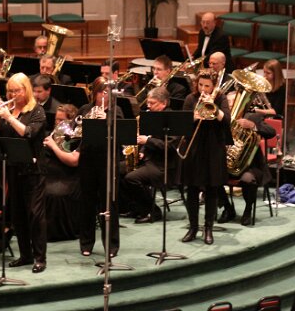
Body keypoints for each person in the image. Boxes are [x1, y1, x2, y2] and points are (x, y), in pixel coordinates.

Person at [0, 72, 47, 273]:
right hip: (13, 168)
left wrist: (8, 117)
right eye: (10, 91)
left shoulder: (37, 111)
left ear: (26, 90)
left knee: (35, 215)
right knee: (18, 214)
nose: (13, 95)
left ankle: (40, 257)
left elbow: (29, 133)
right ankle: (25, 255)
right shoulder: (9, 109)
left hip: (34, 170)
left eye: (16, 91)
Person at [180, 70, 232, 245]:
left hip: (213, 148)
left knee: (211, 189)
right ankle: (193, 227)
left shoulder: (220, 98)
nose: (203, 89)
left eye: (207, 86)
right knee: (192, 189)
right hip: (194, 148)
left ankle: (208, 228)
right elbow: (183, 124)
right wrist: (193, 117)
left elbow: (227, 121)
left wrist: (213, 108)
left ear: (214, 86)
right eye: (200, 84)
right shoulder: (190, 99)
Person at [76, 77, 123, 257]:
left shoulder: (116, 111)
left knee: (109, 203)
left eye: (107, 92)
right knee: (87, 203)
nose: (104, 95)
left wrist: (106, 121)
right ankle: (86, 243)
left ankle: (111, 245)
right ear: (94, 93)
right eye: (101, 92)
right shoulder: (85, 109)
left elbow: (120, 136)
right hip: (87, 160)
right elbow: (75, 131)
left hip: (107, 162)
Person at [121, 87, 175, 224]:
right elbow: (150, 137)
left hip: (164, 165)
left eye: (152, 103)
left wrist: (147, 141)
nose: (148, 106)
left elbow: (170, 146)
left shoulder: (172, 119)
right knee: (118, 170)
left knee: (131, 178)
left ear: (164, 103)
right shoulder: (152, 116)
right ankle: (136, 208)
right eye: (148, 102)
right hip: (150, 159)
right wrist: (142, 151)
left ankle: (153, 211)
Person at [221, 104, 275, 226]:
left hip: (250, 166)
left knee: (248, 179)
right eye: (228, 102)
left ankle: (247, 210)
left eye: (233, 101)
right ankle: (228, 208)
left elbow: (271, 132)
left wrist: (253, 126)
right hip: (226, 164)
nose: (231, 104)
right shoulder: (221, 118)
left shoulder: (252, 117)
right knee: (211, 176)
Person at [41, 105, 81, 241]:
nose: (57, 123)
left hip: (68, 175)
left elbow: (73, 161)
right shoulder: (54, 133)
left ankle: (53, 233)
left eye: (61, 120)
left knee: (54, 194)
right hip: (49, 171)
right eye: (56, 120)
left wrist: (53, 146)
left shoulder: (76, 137)